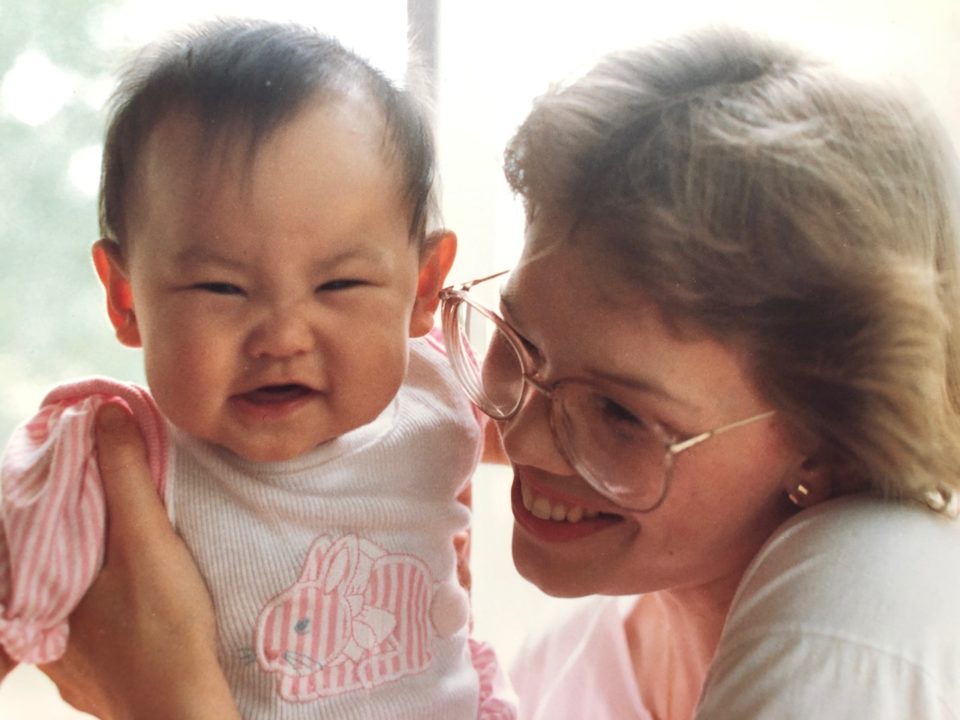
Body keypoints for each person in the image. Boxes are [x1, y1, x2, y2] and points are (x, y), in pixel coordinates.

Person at [34, 25, 960, 719]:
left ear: (833, 447)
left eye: (621, 414)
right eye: (518, 348)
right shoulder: (562, 678)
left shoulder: (869, 609)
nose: (514, 434)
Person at [0, 18, 514, 720]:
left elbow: (580, 444)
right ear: (126, 300)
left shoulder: (440, 388)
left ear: (423, 289)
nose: (281, 337)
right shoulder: (106, 468)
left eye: (339, 287)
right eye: (221, 289)